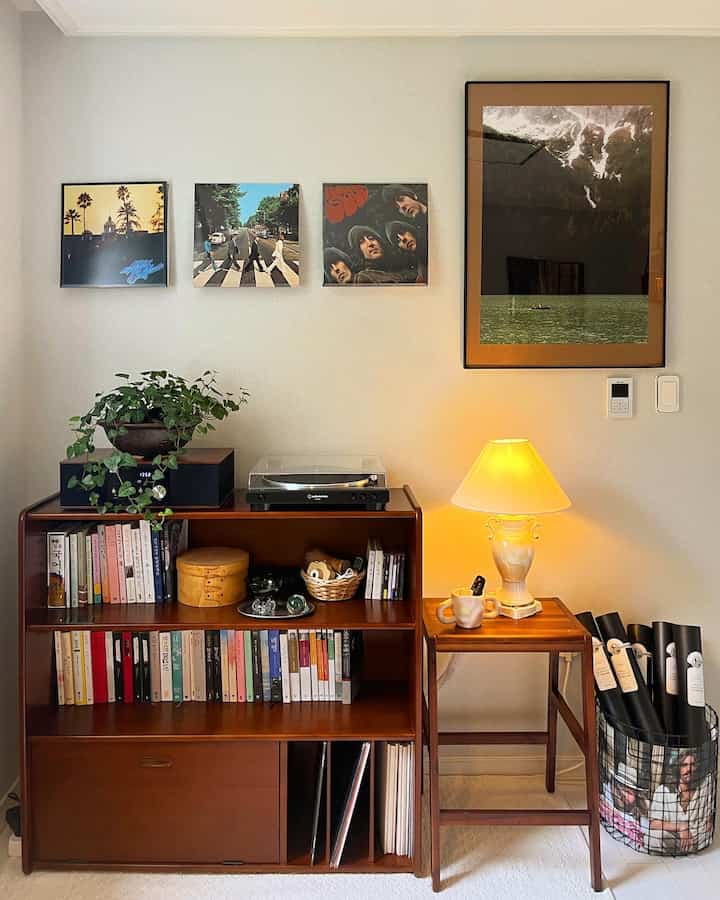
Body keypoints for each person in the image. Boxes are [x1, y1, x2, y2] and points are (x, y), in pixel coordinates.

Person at [648, 751, 715, 852]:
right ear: (678, 768)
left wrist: (709, 822)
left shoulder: (704, 788)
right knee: (653, 837)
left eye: (693, 765)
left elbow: (709, 818)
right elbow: (654, 824)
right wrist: (681, 827)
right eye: (684, 765)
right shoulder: (663, 791)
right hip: (674, 838)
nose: (689, 769)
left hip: (698, 839)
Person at [599, 762, 649, 851]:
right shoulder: (605, 802)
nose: (623, 795)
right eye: (621, 789)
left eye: (629, 792)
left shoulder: (640, 819)